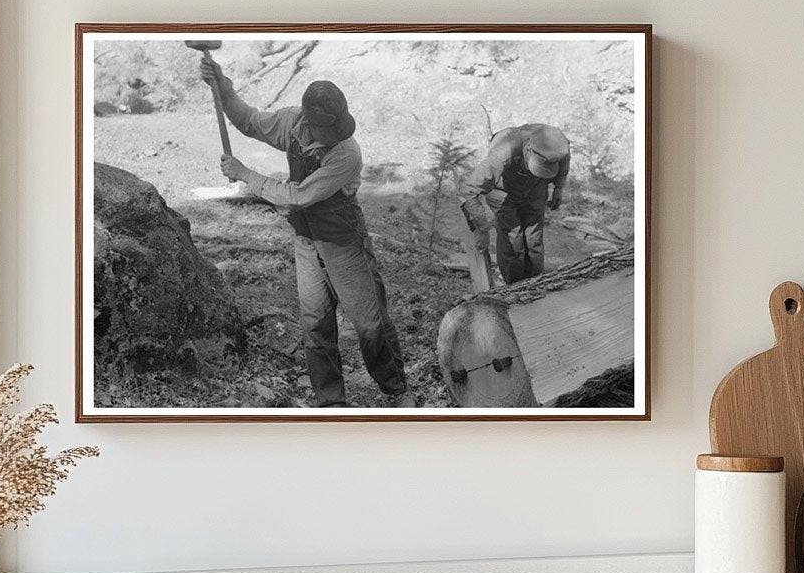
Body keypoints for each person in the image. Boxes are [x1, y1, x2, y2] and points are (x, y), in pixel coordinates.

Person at [199, 54, 413, 408]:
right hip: (305, 240)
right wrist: (222, 85)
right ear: (310, 122)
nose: (332, 136)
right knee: (316, 324)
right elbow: (249, 120)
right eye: (325, 130)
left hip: (343, 243)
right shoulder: (292, 124)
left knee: (369, 324)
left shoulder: (347, 154)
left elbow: (297, 197)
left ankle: (396, 390)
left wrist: (245, 174)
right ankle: (331, 402)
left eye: (336, 128)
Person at [459, 123, 570, 284]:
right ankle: (514, 286)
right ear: (527, 151)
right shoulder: (504, 151)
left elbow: (565, 161)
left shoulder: (558, 145)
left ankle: (535, 283)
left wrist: (559, 187)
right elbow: (468, 190)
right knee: (513, 238)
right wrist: (481, 229)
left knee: (534, 238)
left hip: (536, 187)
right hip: (502, 191)